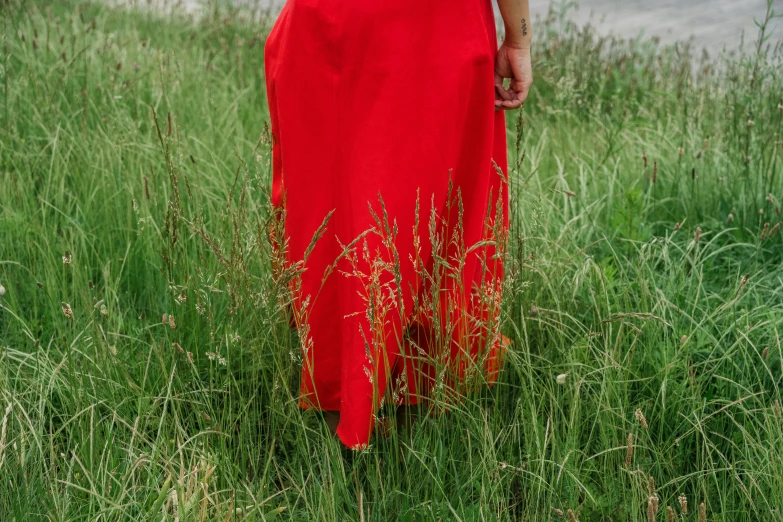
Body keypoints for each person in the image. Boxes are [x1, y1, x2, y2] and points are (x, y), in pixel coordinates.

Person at [264, 0, 533, 449]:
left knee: (336, 205)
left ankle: (343, 395)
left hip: (323, 22)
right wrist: (519, 36)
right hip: (436, 28)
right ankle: (418, 396)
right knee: (438, 206)